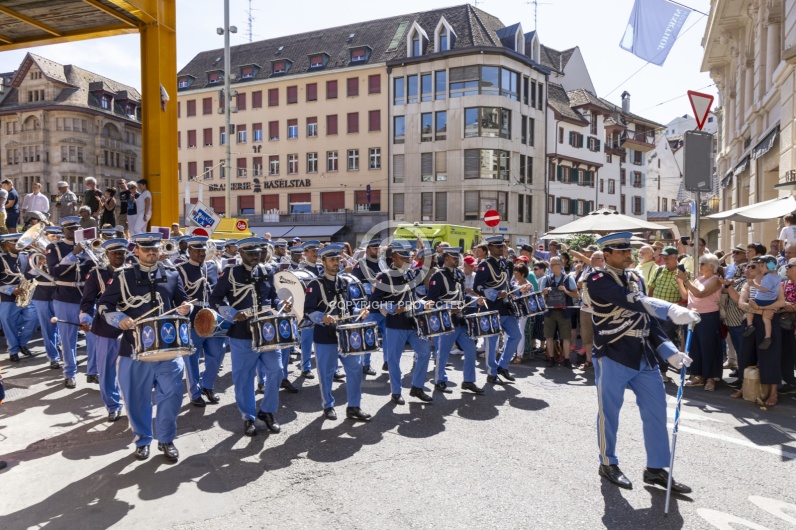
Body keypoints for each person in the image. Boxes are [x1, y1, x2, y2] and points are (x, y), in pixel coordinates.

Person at [588, 232, 698, 492]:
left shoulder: (636, 277)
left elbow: (647, 321)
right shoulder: (596, 279)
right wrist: (670, 309)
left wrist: (669, 351)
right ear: (607, 255)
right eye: (622, 251)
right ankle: (608, 462)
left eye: (629, 250)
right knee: (609, 412)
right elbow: (635, 302)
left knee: (656, 412)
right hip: (613, 353)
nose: (629, 255)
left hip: (643, 354)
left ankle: (656, 469)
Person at [97, 232, 192, 461]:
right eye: (146, 248)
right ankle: (142, 439)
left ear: (159, 250)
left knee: (172, 397)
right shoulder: (123, 277)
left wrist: (186, 307)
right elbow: (104, 305)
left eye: (154, 248)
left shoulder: (171, 274)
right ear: (136, 250)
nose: (151, 252)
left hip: (169, 348)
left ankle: (167, 440)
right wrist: (118, 317)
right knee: (136, 400)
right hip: (134, 349)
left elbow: (183, 300)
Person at [209, 237, 286, 436]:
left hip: (268, 330)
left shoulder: (268, 271)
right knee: (243, 378)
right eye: (251, 253)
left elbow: (272, 296)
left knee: (277, 370)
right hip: (241, 332)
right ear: (241, 253)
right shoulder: (231, 273)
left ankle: (267, 411)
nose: (255, 256)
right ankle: (248, 416)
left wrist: (279, 304)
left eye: (258, 253)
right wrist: (232, 313)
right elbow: (215, 298)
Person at [304, 244, 372, 421]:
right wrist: (322, 317)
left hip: (346, 335)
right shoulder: (315, 284)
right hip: (325, 336)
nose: (336, 263)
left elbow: (349, 306)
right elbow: (308, 310)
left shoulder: (344, 282)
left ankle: (354, 407)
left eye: (338, 260)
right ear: (323, 261)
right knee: (326, 373)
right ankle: (328, 405)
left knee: (355, 369)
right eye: (332, 260)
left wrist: (359, 312)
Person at [370, 241, 434, 404]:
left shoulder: (411, 274)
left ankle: (417, 387)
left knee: (425, 352)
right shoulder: (384, 276)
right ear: (395, 258)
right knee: (393, 360)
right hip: (396, 323)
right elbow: (375, 302)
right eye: (405, 258)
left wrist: (422, 303)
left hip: (413, 322)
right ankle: (396, 392)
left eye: (409, 257)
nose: (409, 260)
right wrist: (393, 307)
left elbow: (413, 298)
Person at [79, 238, 128, 422]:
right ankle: (113, 406)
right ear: (107, 255)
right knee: (106, 371)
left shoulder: (134, 272)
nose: (118, 256)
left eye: (121, 253)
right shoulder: (97, 274)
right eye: (114, 253)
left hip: (132, 329)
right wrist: (85, 319)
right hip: (107, 330)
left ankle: (132, 403)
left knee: (133, 370)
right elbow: (87, 301)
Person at [427, 246, 485, 393]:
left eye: (457, 257)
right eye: (454, 258)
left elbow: (462, 296)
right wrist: (448, 307)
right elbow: (431, 300)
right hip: (446, 319)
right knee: (443, 352)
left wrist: (474, 299)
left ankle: (468, 381)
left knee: (471, 349)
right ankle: (439, 380)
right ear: (446, 258)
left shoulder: (459, 274)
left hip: (461, 319)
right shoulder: (437, 276)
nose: (457, 260)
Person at [46, 216, 95, 388]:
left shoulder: (88, 247)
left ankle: (93, 371)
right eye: (70, 229)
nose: (74, 231)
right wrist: (75, 253)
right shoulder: (54, 247)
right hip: (65, 296)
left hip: (87, 295)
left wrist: (91, 253)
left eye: (77, 228)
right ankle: (69, 373)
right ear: (63, 230)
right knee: (68, 338)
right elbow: (55, 271)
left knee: (93, 336)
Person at [176, 236, 224, 407]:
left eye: (203, 250)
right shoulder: (180, 269)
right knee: (192, 359)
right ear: (189, 251)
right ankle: (195, 393)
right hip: (192, 316)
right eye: (197, 250)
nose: (201, 253)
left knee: (218, 353)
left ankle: (208, 386)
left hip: (212, 316)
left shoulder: (211, 266)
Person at [0, 233, 38, 362]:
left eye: (19, 241)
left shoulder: (25, 256)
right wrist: (11, 290)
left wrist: (38, 268)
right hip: (7, 296)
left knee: (33, 319)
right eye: (14, 242)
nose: (18, 244)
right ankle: (13, 350)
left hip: (24, 293)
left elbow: (28, 275)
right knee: (8, 323)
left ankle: (21, 343)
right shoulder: (1, 258)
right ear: (6, 245)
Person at [538, 255, 579, 367]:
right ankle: (551, 358)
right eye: (550, 264)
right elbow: (540, 296)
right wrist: (544, 293)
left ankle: (566, 359)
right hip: (549, 312)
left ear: (561, 265)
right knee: (549, 336)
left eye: (553, 264)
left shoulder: (569, 279)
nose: (550, 267)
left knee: (566, 337)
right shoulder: (546, 279)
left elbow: (576, 295)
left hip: (564, 312)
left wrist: (565, 290)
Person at [350, 238, 384, 375]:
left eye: (378, 248)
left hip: (383, 306)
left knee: (387, 336)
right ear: (368, 250)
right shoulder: (361, 264)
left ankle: (387, 361)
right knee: (368, 336)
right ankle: (365, 364)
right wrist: (373, 287)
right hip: (369, 306)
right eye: (375, 248)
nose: (377, 251)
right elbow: (356, 286)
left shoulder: (382, 264)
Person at [744, 255, 782, 349]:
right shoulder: (777, 276)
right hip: (771, 301)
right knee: (766, 319)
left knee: (750, 309)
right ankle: (767, 337)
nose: (760, 268)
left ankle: (749, 325)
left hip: (761, 300)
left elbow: (765, 289)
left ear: (770, 265)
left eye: (762, 266)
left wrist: (754, 285)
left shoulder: (769, 277)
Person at [576, 250, 604, 370]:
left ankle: (602, 362)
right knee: (586, 336)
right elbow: (579, 284)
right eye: (591, 258)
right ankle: (589, 361)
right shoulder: (587, 270)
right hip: (586, 308)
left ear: (602, 260)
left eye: (595, 258)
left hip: (600, 310)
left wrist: (587, 281)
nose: (591, 260)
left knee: (601, 336)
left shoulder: (606, 273)